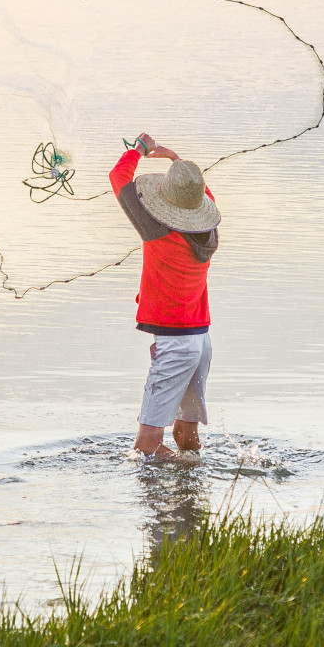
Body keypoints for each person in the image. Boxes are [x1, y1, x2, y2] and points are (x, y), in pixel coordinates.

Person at [109, 133, 220, 461]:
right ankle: (193, 487)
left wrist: (140, 148)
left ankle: (167, 493)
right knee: (185, 434)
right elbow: (203, 195)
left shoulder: (155, 226)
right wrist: (177, 162)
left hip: (175, 346)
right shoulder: (210, 232)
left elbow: (118, 177)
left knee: (146, 447)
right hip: (201, 342)